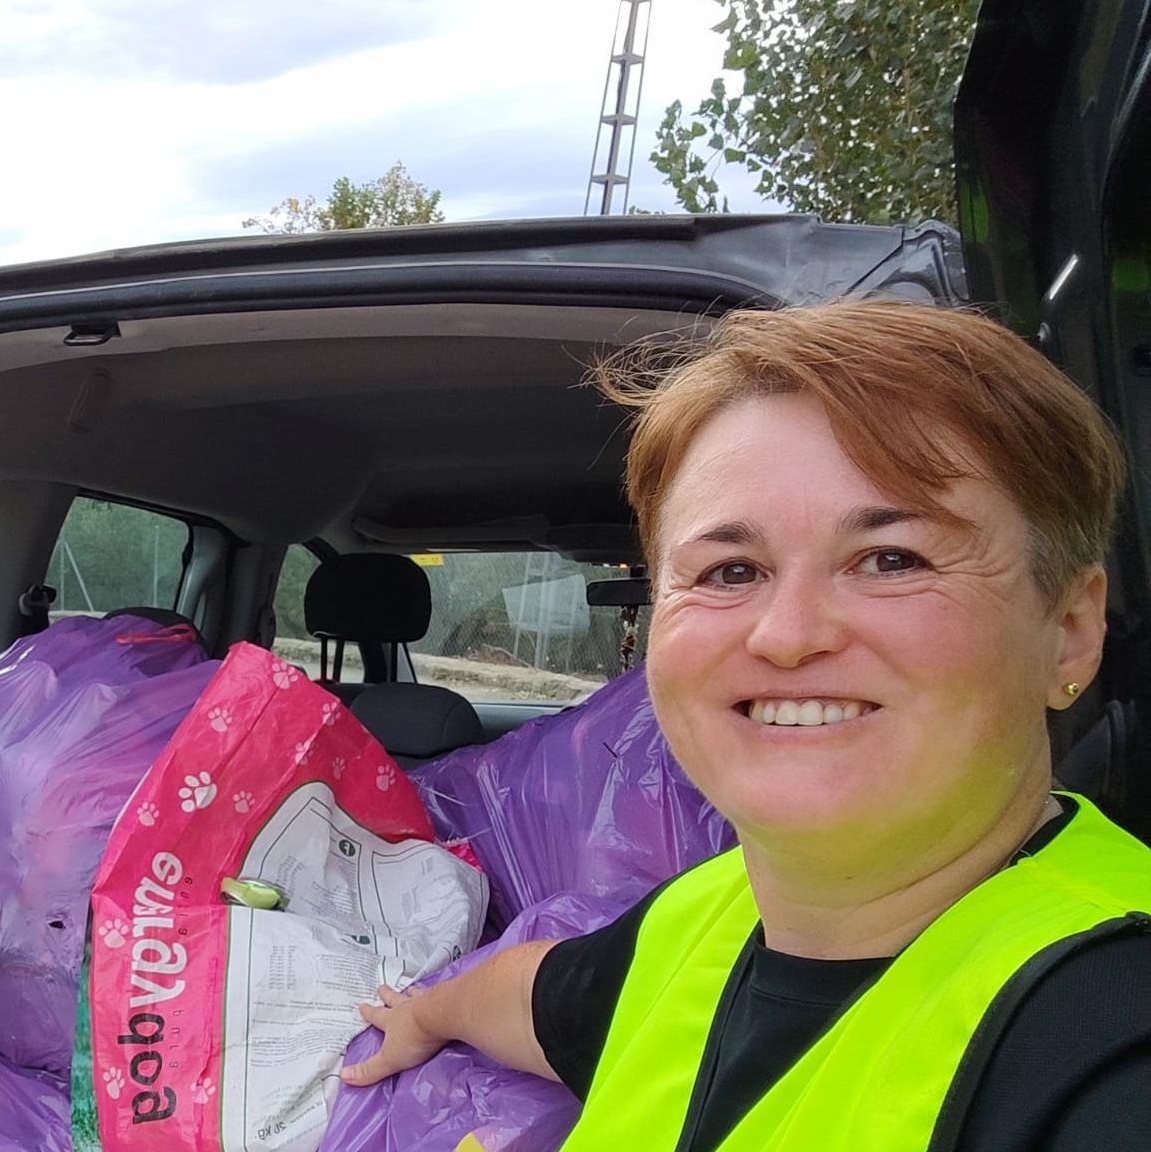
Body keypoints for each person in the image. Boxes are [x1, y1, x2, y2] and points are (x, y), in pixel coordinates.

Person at [344, 299, 1151, 1149]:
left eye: (891, 560)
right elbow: (539, 995)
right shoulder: (695, 923)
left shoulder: (1112, 1044)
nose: (789, 634)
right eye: (731, 571)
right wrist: (428, 1015)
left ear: (1069, 629)